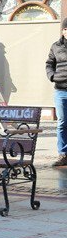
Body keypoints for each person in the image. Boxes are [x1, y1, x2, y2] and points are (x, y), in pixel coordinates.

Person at [45, 17, 67, 167]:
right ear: (63, 30)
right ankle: (63, 154)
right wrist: (52, 76)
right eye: (66, 29)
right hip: (60, 91)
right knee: (62, 122)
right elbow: (49, 64)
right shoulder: (56, 46)